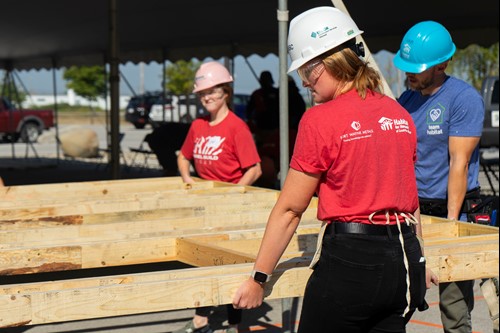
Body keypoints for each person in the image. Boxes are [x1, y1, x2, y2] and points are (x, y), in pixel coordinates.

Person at [232, 6, 438, 332]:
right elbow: (409, 203)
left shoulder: (320, 119)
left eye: (306, 70)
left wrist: (259, 278)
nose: (303, 82)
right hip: (401, 260)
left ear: (326, 63)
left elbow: (289, 210)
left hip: (352, 263)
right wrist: (419, 258)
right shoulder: (398, 114)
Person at [393, 21, 486, 333]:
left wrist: (450, 222)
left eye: (416, 68)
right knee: (400, 294)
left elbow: (458, 163)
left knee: (453, 303)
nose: (410, 74)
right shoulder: (405, 101)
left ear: (441, 64)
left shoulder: (463, 98)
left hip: (452, 207)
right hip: (412, 211)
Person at [175, 61, 262, 333]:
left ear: (226, 92)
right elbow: (182, 156)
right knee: (200, 261)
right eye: (202, 93)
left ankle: (234, 325)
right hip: (204, 208)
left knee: (228, 266)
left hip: (230, 211)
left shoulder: (237, 128)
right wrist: (188, 180)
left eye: (213, 91)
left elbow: (255, 169)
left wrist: (233, 193)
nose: (207, 97)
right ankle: (201, 318)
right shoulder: (198, 126)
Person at [245, 70, 280, 144]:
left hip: (275, 127)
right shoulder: (257, 94)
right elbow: (249, 110)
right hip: (260, 127)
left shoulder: (277, 92)